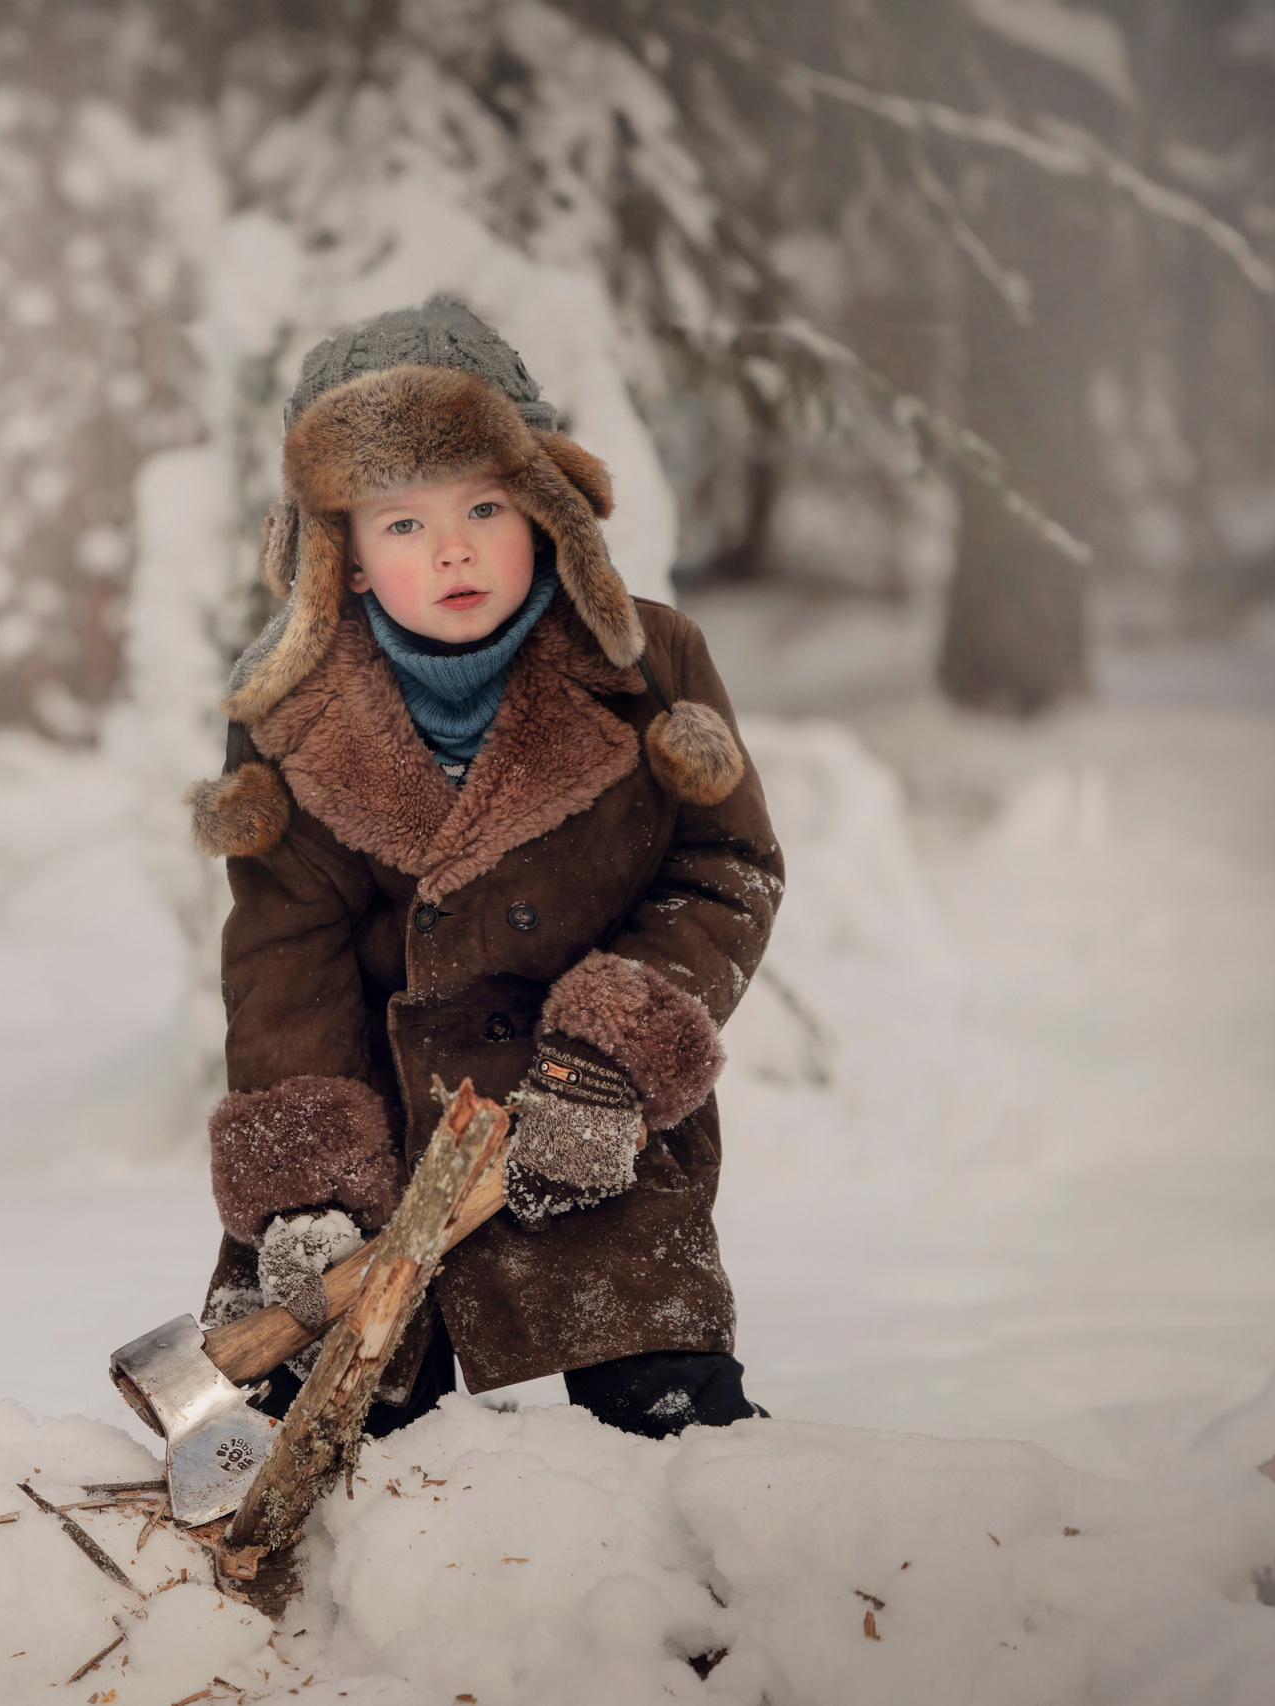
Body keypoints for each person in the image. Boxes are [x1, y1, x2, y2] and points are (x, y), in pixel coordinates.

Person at [185, 295, 783, 1440]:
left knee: (664, 1416)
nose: (450, 545)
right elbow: (283, 955)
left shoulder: (646, 662)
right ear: (340, 560)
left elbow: (726, 866)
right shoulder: (292, 719)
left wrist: (611, 1058)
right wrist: (307, 1180)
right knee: (313, 1438)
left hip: (590, 1127)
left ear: (547, 508)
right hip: (390, 1146)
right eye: (399, 522)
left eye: (484, 504)